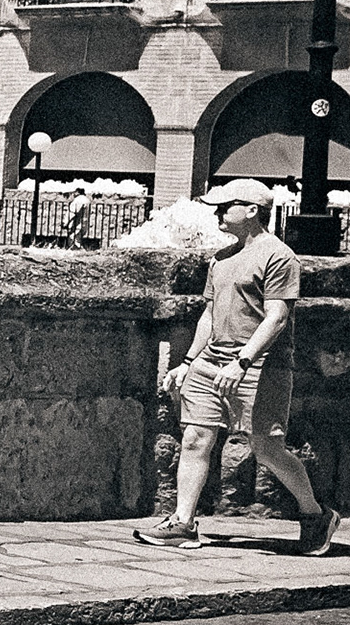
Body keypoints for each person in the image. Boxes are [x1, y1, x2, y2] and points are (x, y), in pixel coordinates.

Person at [138, 179, 336, 554]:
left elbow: (277, 317)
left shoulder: (279, 256)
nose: (217, 213)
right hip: (210, 362)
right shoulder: (221, 258)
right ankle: (183, 523)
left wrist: (243, 361)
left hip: (260, 366)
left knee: (267, 450)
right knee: (196, 439)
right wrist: (189, 361)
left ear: (251, 210)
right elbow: (209, 315)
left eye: (224, 206)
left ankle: (316, 515)